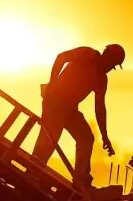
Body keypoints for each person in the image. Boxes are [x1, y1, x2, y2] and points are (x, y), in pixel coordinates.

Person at [32, 44, 125, 188]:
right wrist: (53, 82)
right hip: (55, 100)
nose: (110, 68)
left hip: (71, 107)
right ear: (107, 56)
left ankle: (81, 182)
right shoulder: (87, 54)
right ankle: (33, 174)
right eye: (112, 64)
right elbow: (61, 57)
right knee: (49, 139)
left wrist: (104, 136)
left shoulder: (101, 79)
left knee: (86, 138)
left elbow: (100, 107)